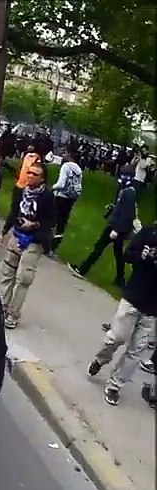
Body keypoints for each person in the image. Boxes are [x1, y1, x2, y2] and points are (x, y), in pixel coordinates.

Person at [89, 223, 157, 405]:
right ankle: (100, 359)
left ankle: (114, 385)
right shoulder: (149, 233)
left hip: (153, 310)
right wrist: (143, 256)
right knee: (116, 338)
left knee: (136, 352)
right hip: (134, 297)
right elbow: (128, 255)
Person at [0, 162, 55, 329]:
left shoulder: (47, 196)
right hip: (17, 235)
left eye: (35, 174)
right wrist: (4, 232)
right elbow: (14, 211)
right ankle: (2, 305)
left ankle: (13, 313)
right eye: (29, 172)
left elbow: (52, 220)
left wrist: (35, 224)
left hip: (34, 240)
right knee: (8, 271)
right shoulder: (22, 192)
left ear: (42, 178)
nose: (30, 176)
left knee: (23, 277)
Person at [73, 170, 137, 287]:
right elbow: (121, 208)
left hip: (116, 228)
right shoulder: (125, 191)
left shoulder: (129, 193)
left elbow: (127, 214)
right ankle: (120, 279)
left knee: (99, 248)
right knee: (116, 253)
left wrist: (117, 230)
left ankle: (82, 269)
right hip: (116, 226)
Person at [50, 148, 82, 241]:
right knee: (62, 223)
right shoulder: (78, 169)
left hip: (61, 197)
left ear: (69, 154)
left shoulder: (66, 166)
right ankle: (55, 245)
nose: (63, 155)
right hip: (71, 198)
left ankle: (47, 243)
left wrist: (53, 187)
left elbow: (61, 184)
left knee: (52, 220)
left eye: (65, 153)